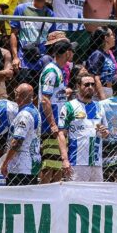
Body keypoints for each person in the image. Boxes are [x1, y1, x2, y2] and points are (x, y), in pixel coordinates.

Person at [58, 71, 109, 182]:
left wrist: (105, 132)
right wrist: (65, 159)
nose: (90, 87)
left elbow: (105, 133)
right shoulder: (69, 106)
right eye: (86, 85)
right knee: (75, 196)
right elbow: (61, 134)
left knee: (96, 197)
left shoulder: (99, 106)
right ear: (78, 86)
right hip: (77, 162)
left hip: (96, 162)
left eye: (92, 84)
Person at [38, 35, 73, 183]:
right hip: (51, 125)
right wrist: (52, 124)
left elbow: (53, 95)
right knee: (49, 165)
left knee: (57, 164)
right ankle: (45, 195)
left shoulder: (58, 70)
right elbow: (45, 99)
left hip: (59, 123)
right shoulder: (51, 71)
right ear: (66, 53)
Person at [0, 83, 41, 186]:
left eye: (16, 93)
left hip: (20, 167)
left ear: (19, 96)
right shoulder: (35, 110)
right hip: (31, 164)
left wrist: (5, 163)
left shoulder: (24, 115)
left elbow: (17, 142)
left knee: (16, 198)